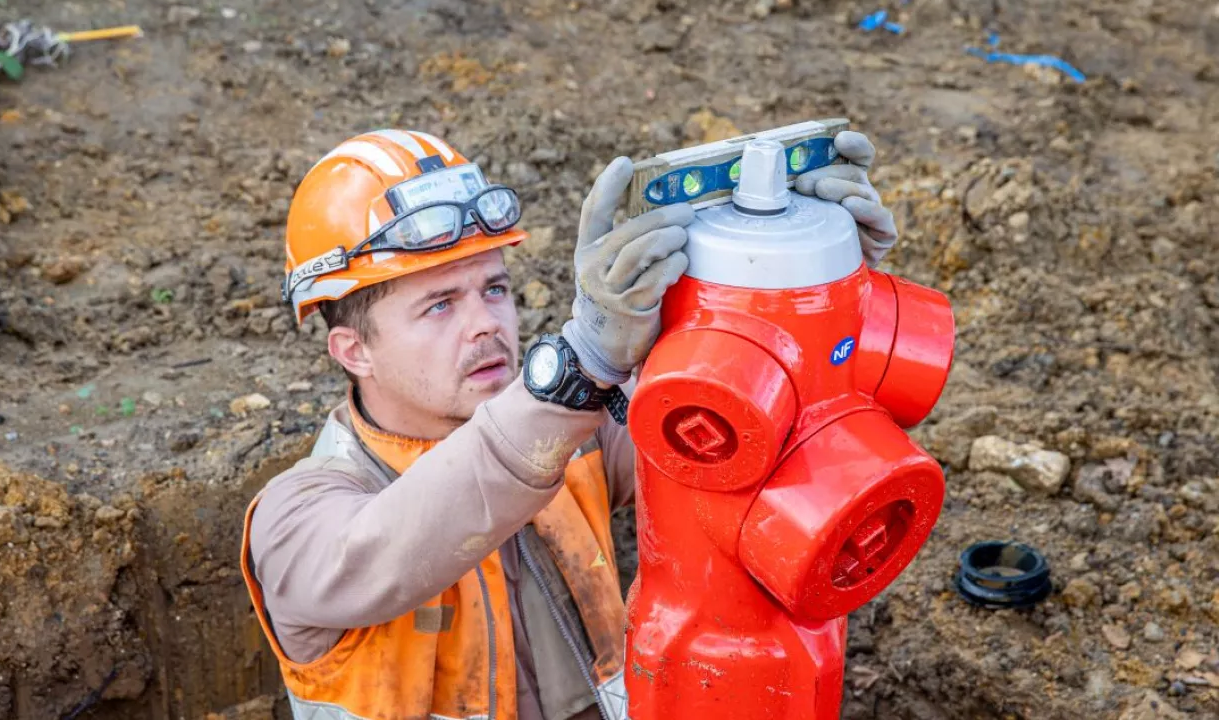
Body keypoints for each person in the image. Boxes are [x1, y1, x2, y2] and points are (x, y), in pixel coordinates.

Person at [240, 127, 898, 720]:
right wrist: (579, 367)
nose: (486, 324)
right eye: (439, 305)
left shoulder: (576, 431)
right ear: (353, 350)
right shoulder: (296, 519)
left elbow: (756, 446)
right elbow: (397, 544)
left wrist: (818, 289)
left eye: (494, 289)